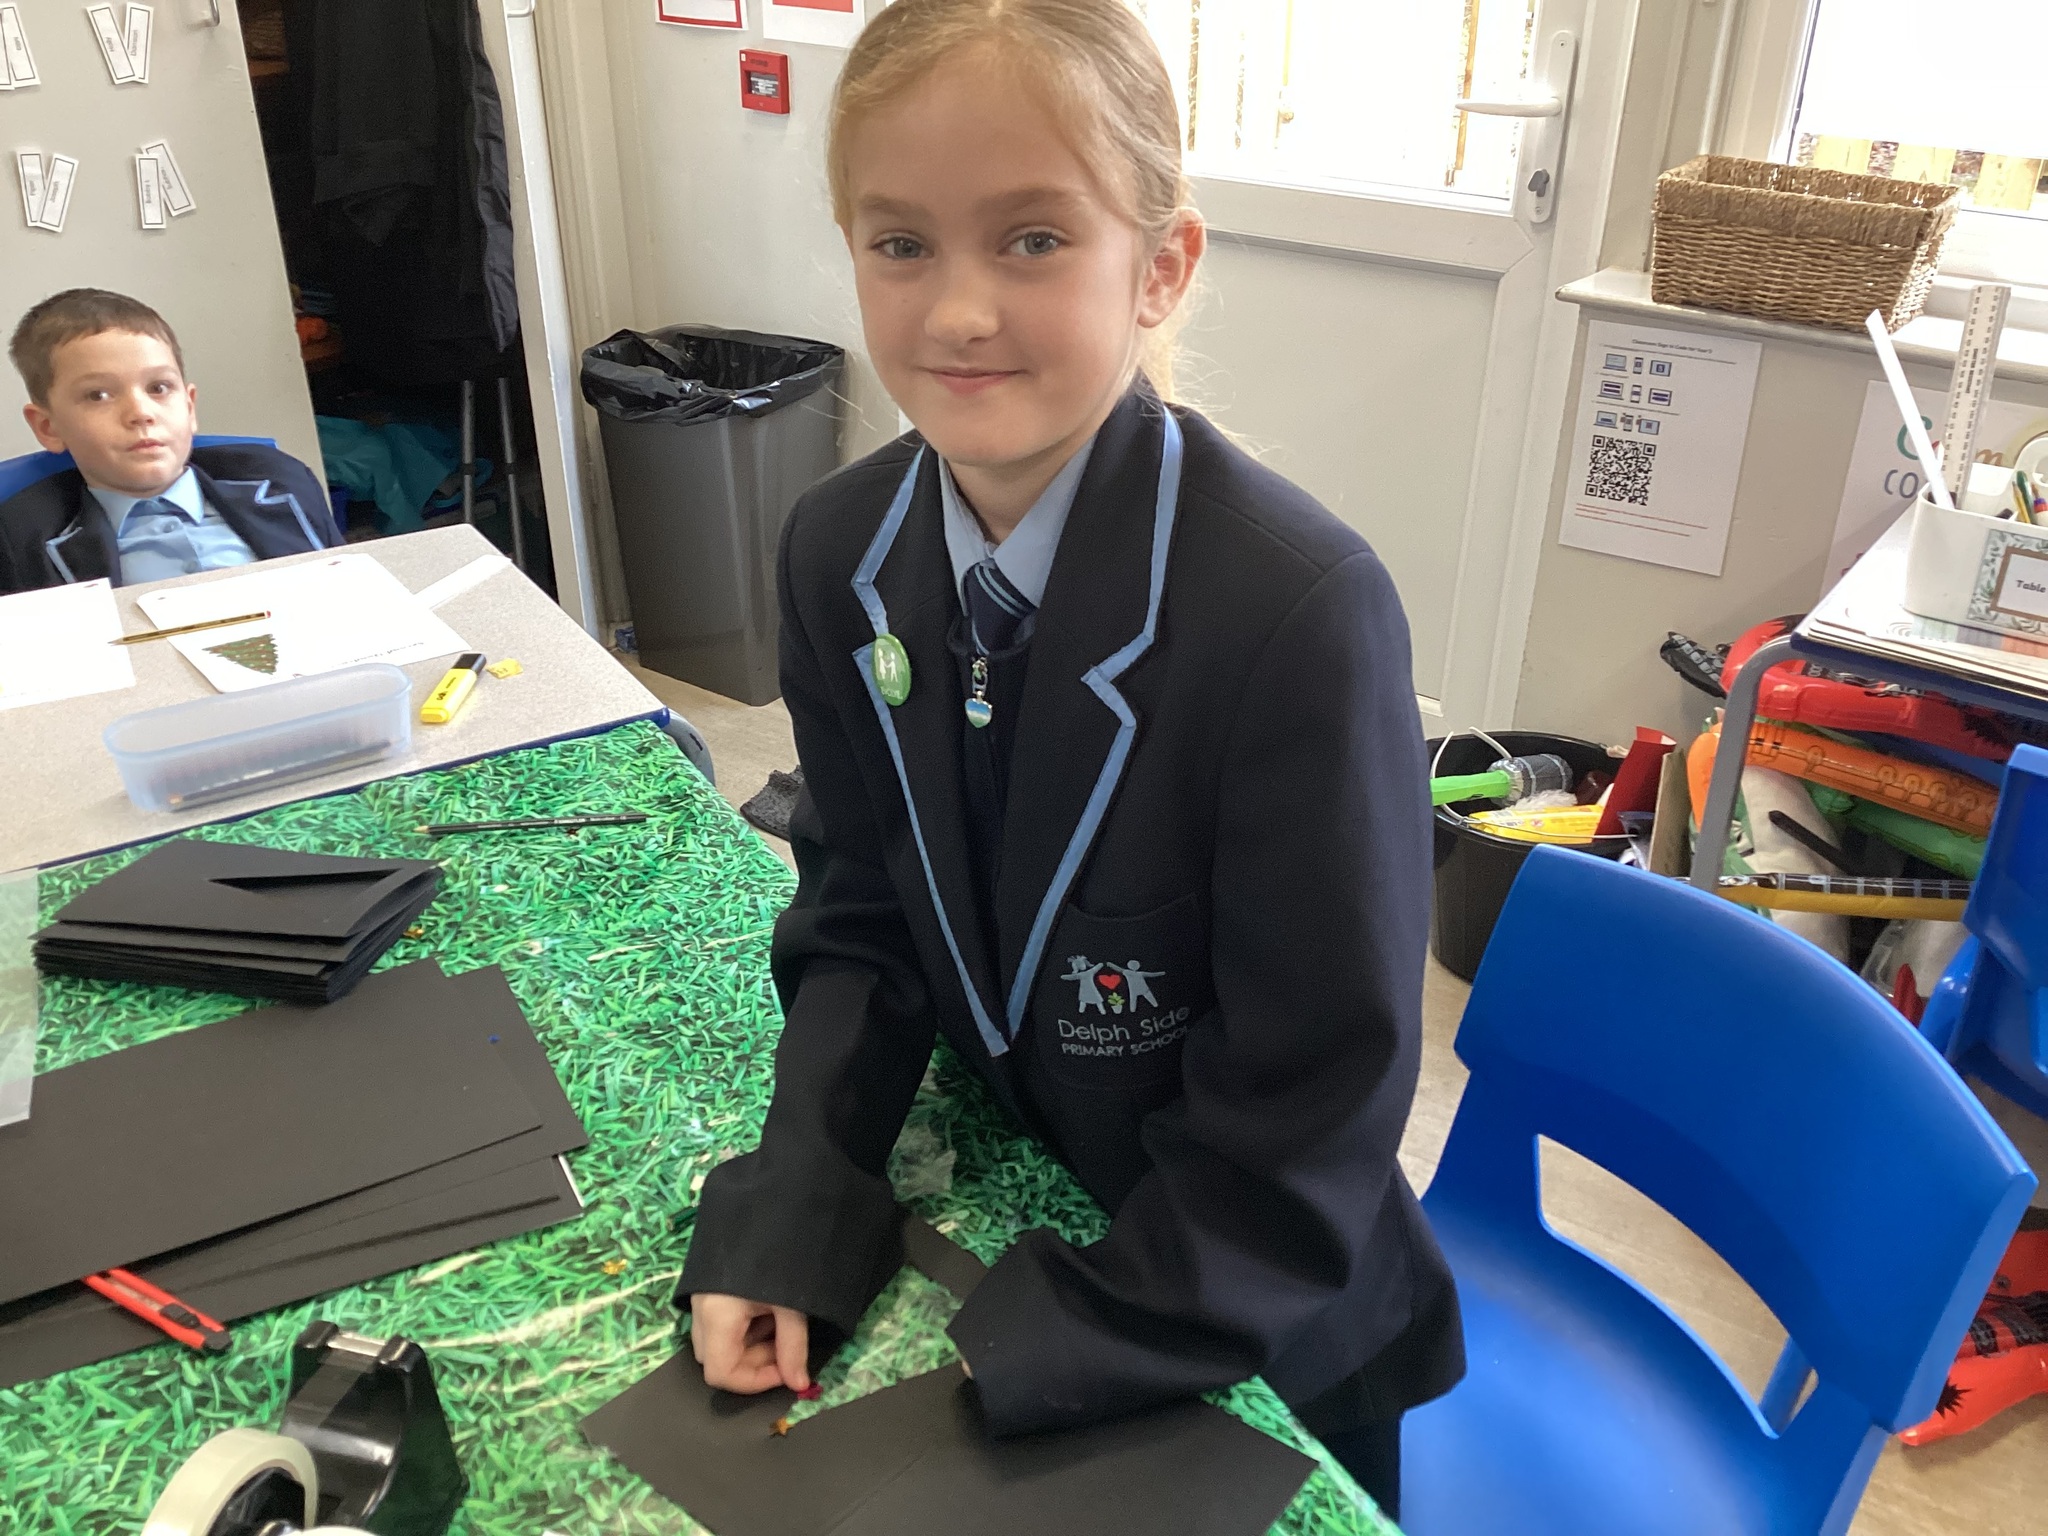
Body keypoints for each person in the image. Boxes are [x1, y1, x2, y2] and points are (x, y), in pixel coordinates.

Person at [676, 0, 1462, 1517]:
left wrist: (1053, 1340)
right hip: (1018, 1179)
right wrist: (800, 1204)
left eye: (1032, 239)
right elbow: (861, 915)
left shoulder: (1296, 611)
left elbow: (1316, 1094)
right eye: (901, 244)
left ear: (1160, 264)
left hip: (1253, 1312)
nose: (958, 312)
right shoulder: (837, 548)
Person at [1, 289, 337, 595]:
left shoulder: (282, 479)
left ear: (189, 407)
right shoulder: (22, 539)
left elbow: (345, 591)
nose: (140, 413)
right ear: (48, 427)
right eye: (98, 395)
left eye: (158, 388)